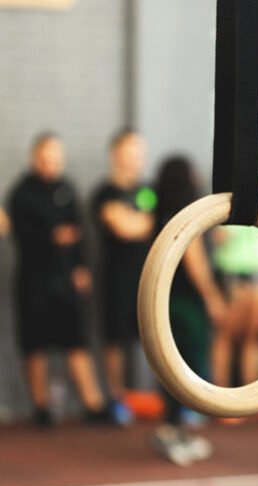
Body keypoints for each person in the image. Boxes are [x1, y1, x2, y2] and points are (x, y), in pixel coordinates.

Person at [7, 133, 108, 427]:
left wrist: (80, 268)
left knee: (75, 339)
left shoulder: (67, 188)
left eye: (56, 157)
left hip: (65, 278)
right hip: (33, 279)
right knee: (35, 342)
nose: (51, 163)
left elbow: (78, 234)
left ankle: (93, 403)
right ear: (35, 158)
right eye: (46, 157)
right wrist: (52, 237)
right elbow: (23, 234)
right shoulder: (20, 193)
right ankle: (42, 406)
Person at [149, 156, 227, 466]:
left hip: (166, 299)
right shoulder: (184, 214)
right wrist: (212, 297)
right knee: (183, 366)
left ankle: (176, 429)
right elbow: (193, 259)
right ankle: (171, 430)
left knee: (173, 365)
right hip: (186, 302)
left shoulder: (162, 210)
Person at [92, 129, 155, 426]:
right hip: (116, 278)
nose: (136, 158)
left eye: (139, 151)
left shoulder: (147, 191)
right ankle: (117, 399)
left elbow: (148, 224)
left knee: (153, 335)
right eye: (130, 151)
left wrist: (138, 222)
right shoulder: (104, 193)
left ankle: (160, 398)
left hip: (148, 276)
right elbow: (125, 228)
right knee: (115, 339)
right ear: (115, 154)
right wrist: (137, 222)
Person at [210, 162, 258, 401]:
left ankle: (250, 399)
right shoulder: (235, 194)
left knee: (251, 338)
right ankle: (222, 397)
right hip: (236, 275)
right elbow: (220, 237)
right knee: (228, 336)